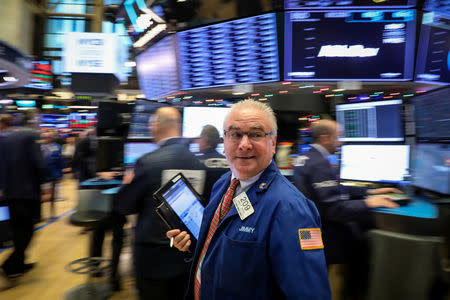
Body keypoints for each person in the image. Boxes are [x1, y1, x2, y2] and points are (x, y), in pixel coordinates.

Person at [168, 100, 331, 300]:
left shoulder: (293, 210)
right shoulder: (224, 184)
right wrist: (194, 246)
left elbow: (311, 294)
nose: (244, 145)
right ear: (224, 141)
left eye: (256, 134)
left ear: (273, 143)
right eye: (235, 134)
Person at [292, 119, 400, 299]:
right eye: (338, 137)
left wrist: (370, 191)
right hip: (322, 234)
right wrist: (370, 203)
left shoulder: (306, 158)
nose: (340, 142)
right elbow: (334, 209)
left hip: (307, 230)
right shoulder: (319, 163)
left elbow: (336, 188)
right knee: (365, 235)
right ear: (325, 138)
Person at [115, 107, 206, 300]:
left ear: (156, 126)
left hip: (152, 260)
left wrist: (126, 184)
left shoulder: (147, 162)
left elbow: (124, 206)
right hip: (187, 258)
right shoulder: (198, 163)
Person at [0, 111, 47, 286]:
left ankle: (19, 264)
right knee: (27, 231)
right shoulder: (33, 135)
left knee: (18, 229)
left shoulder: (5, 137)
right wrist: (45, 184)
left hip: (10, 192)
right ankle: (9, 265)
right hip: (28, 193)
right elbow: (39, 164)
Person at [196, 125, 229, 203]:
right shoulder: (229, 162)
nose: (198, 142)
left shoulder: (197, 162)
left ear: (205, 139)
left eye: (199, 138)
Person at [41, 131, 64, 219]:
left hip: (53, 175)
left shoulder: (57, 147)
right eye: (43, 137)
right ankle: (40, 215)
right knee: (42, 196)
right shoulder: (37, 147)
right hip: (40, 175)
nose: (45, 139)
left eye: (48, 137)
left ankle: (52, 214)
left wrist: (60, 176)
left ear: (51, 138)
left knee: (52, 196)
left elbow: (60, 162)